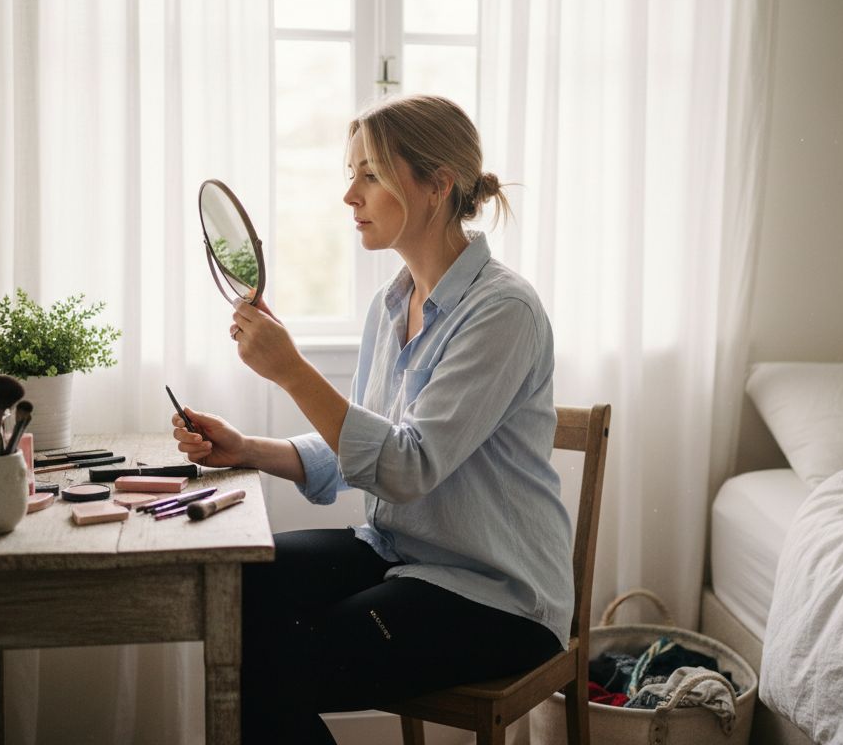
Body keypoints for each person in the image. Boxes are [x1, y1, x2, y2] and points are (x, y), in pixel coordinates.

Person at [171, 94, 573, 743]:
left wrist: (293, 372)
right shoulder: (391, 304)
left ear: (437, 185)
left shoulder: (504, 312)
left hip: (496, 595)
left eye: (370, 175)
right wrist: (248, 448)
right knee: (238, 595)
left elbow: (406, 467)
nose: (349, 196)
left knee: (274, 667)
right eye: (349, 174)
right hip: (397, 553)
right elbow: (359, 446)